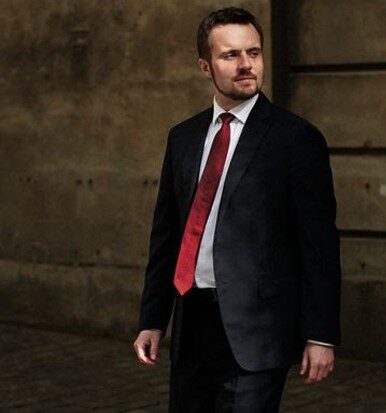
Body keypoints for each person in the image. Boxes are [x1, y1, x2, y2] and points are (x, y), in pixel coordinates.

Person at [132, 6, 341, 412]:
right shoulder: (183, 137)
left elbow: (319, 244)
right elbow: (167, 236)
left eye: (254, 52)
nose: (246, 64)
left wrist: (320, 334)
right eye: (231, 55)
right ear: (205, 66)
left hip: (258, 331)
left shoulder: (296, 139)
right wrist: (153, 320)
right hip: (192, 324)